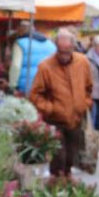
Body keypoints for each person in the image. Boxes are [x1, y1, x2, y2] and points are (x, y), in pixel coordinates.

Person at [29, 28, 93, 177]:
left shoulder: (82, 62)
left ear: (73, 47)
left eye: (67, 50)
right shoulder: (45, 66)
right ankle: (57, 185)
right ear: (56, 47)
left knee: (72, 157)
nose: (64, 55)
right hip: (55, 120)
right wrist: (51, 109)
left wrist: (85, 103)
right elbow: (35, 95)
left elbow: (89, 87)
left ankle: (67, 187)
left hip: (77, 119)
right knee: (58, 158)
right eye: (61, 51)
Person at [8, 21, 56, 95]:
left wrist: (12, 86)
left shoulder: (20, 43)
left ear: (20, 32)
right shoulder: (51, 44)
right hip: (48, 86)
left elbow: (16, 66)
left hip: (27, 87)